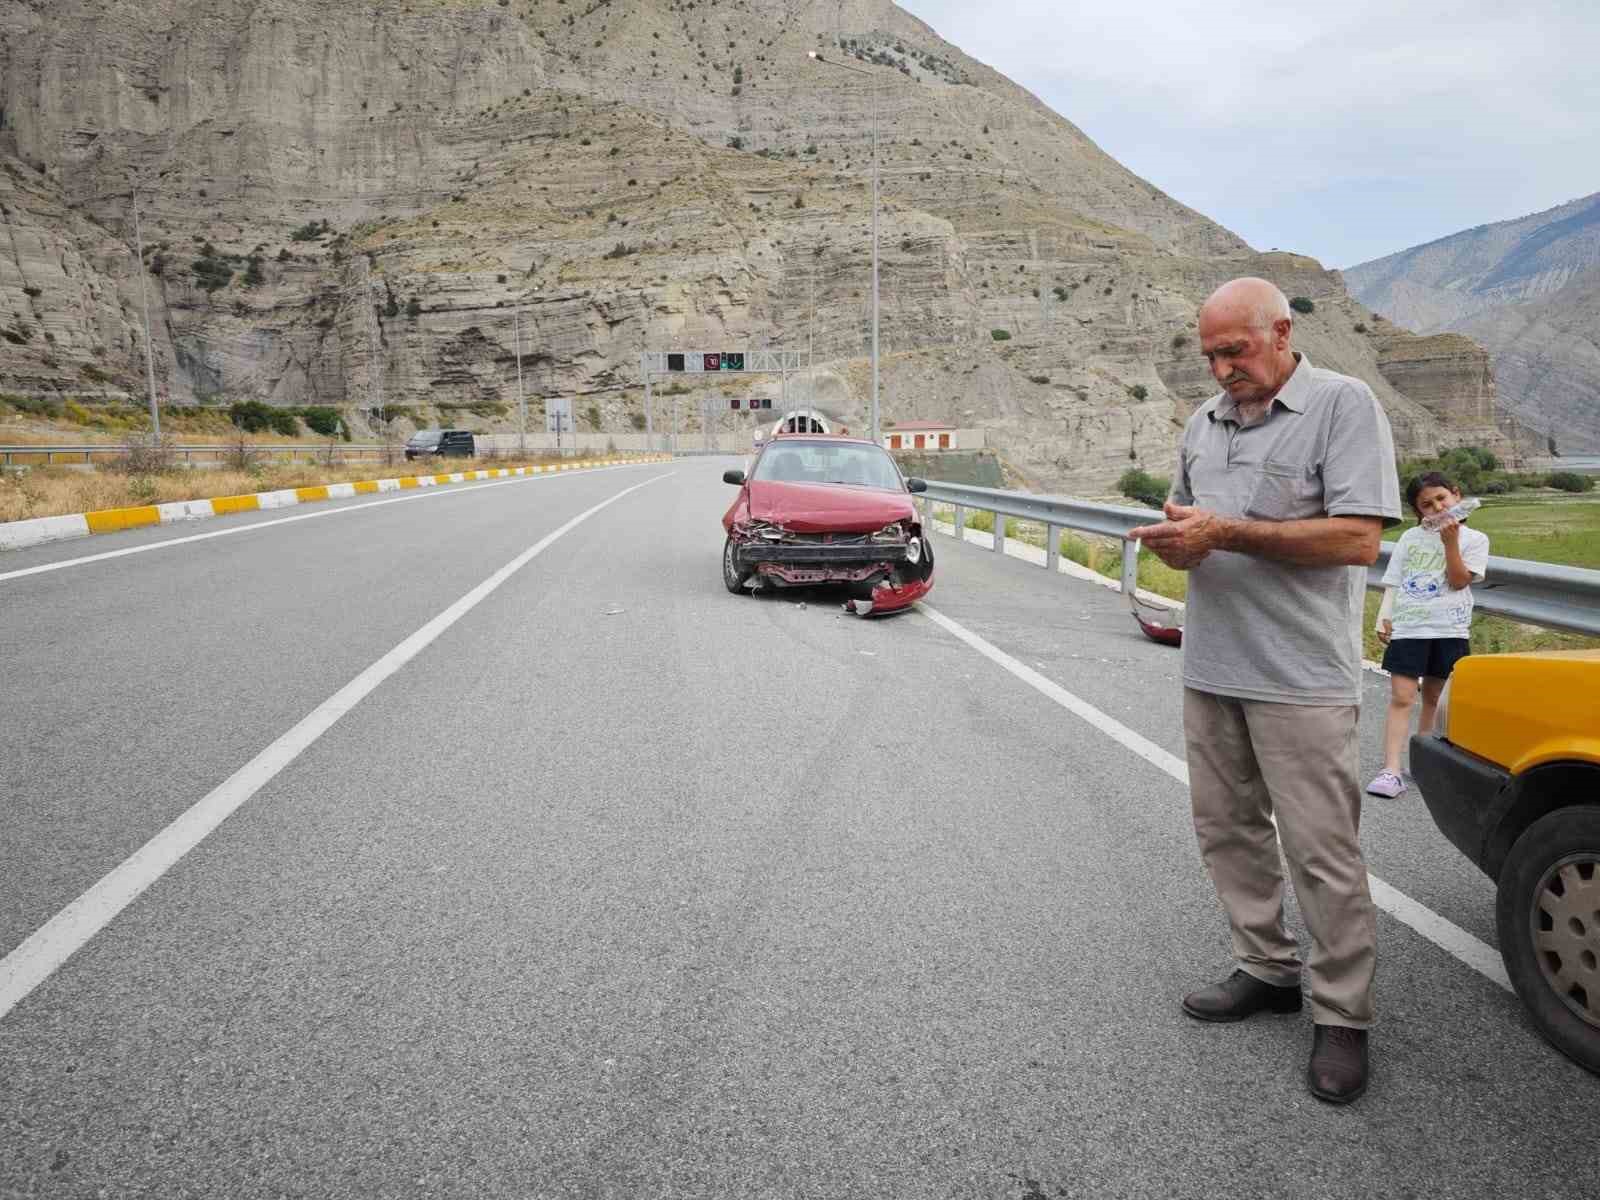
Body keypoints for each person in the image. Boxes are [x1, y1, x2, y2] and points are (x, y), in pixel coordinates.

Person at [1130, 277, 1401, 1105]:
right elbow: (1197, 530)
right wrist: (1185, 548)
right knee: (1228, 831)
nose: (1220, 369)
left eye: (1234, 351)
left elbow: (1357, 540)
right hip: (1212, 666)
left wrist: (1227, 533)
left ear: (1281, 332)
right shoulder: (1200, 426)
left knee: (1322, 852)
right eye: (1209, 354)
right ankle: (1267, 967)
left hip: (1302, 679)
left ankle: (1343, 1016)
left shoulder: (1345, 407)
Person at [1367, 472, 1489, 798]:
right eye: (1426, 505)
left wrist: (1450, 543)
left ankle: (1422, 765)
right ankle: (1391, 770)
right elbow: (1393, 580)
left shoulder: (1475, 539)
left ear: (1456, 495)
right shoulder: (1409, 538)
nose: (1437, 507)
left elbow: (1459, 580)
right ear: (1418, 511)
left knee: (1434, 699)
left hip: (1449, 629)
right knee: (1402, 697)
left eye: (1441, 499)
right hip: (1410, 628)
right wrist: (1384, 617)